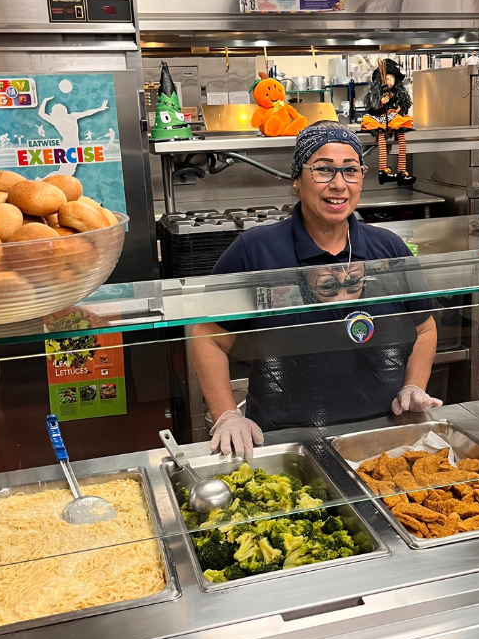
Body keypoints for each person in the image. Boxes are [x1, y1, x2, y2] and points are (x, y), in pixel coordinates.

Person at [187, 121, 440, 456]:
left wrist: (413, 386)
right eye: (323, 170)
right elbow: (207, 338)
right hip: (281, 439)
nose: (339, 184)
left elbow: (425, 327)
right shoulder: (255, 251)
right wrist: (227, 416)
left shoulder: (388, 249)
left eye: (350, 171)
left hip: (382, 434)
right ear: (297, 179)